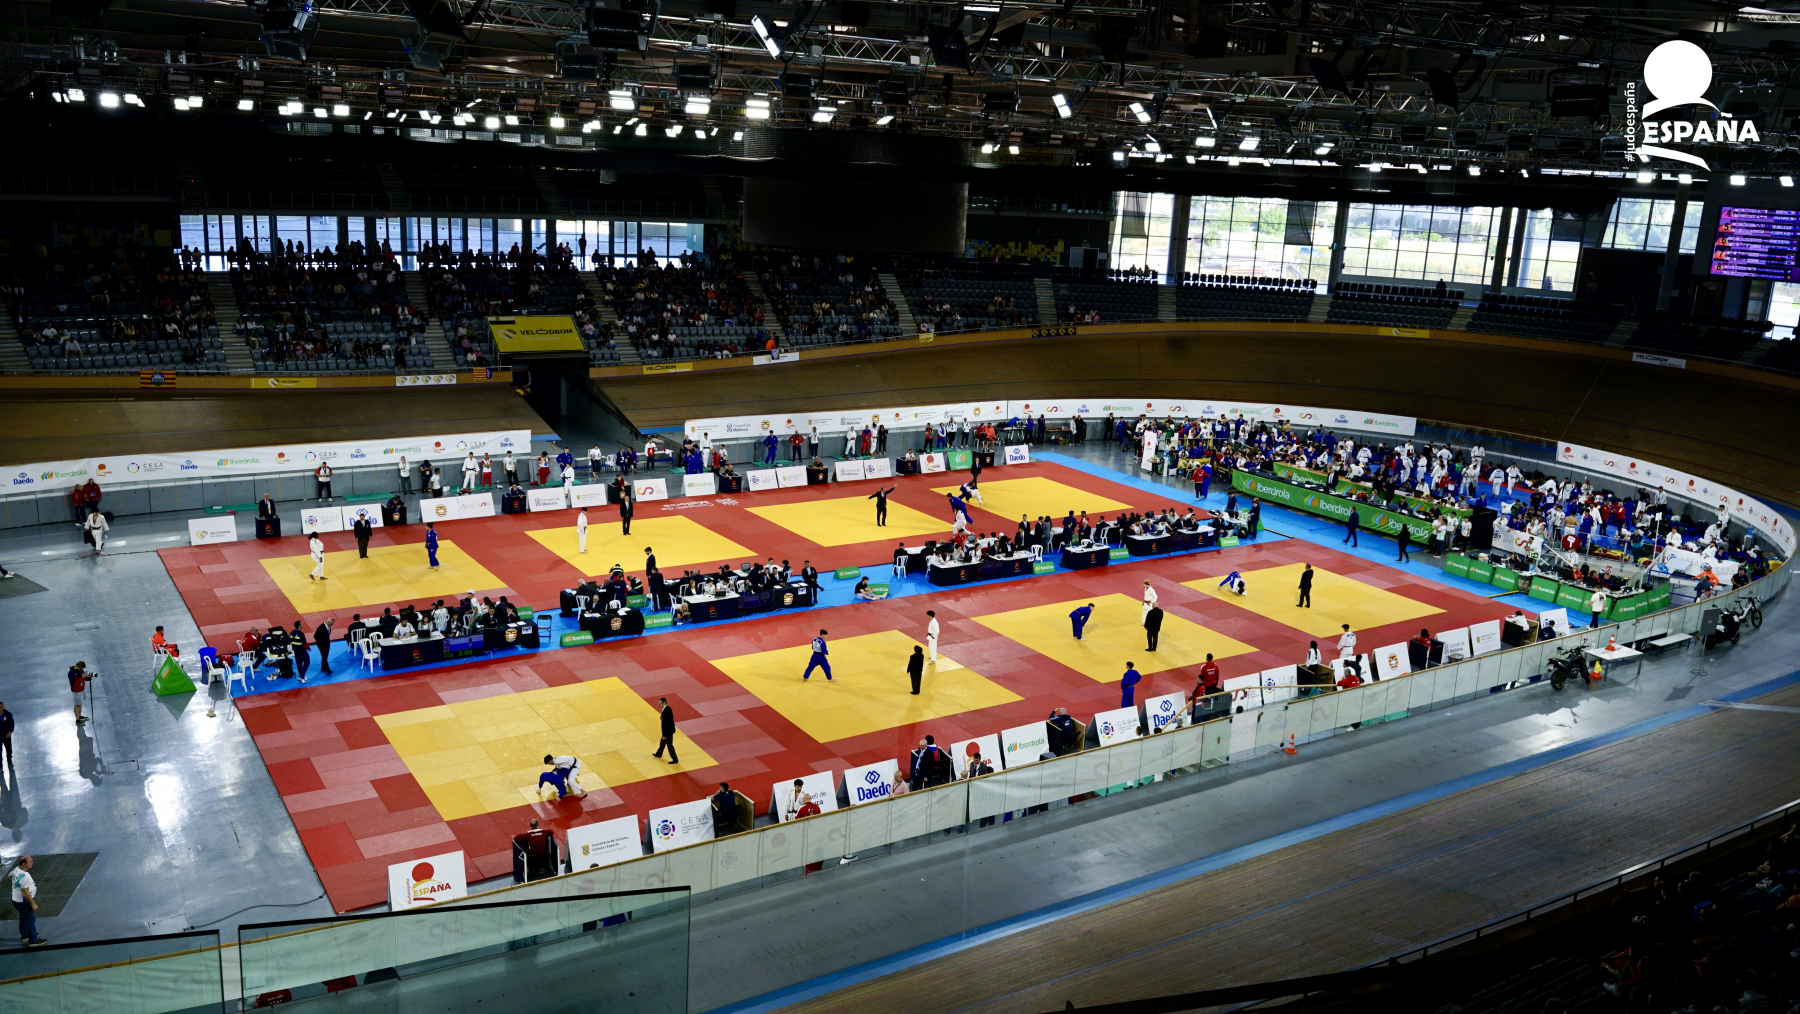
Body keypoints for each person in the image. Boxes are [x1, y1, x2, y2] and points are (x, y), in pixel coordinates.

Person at [11, 856, 46, 947]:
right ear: (24, 864)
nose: (32, 863)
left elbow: (9, 876)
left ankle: (25, 934)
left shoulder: (16, 870)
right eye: (30, 861)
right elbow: (26, 894)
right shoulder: (25, 877)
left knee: (23, 916)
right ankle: (33, 940)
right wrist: (33, 904)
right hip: (24, 902)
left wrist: (17, 885)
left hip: (15, 899)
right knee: (30, 919)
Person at [652, 696, 679, 764]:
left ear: (664, 703)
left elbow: (667, 724)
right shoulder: (666, 709)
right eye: (658, 703)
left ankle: (675, 759)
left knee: (670, 745)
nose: (659, 705)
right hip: (667, 730)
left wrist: (664, 735)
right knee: (662, 743)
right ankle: (659, 753)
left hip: (668, 731)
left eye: (660, 703)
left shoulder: (667, 710)